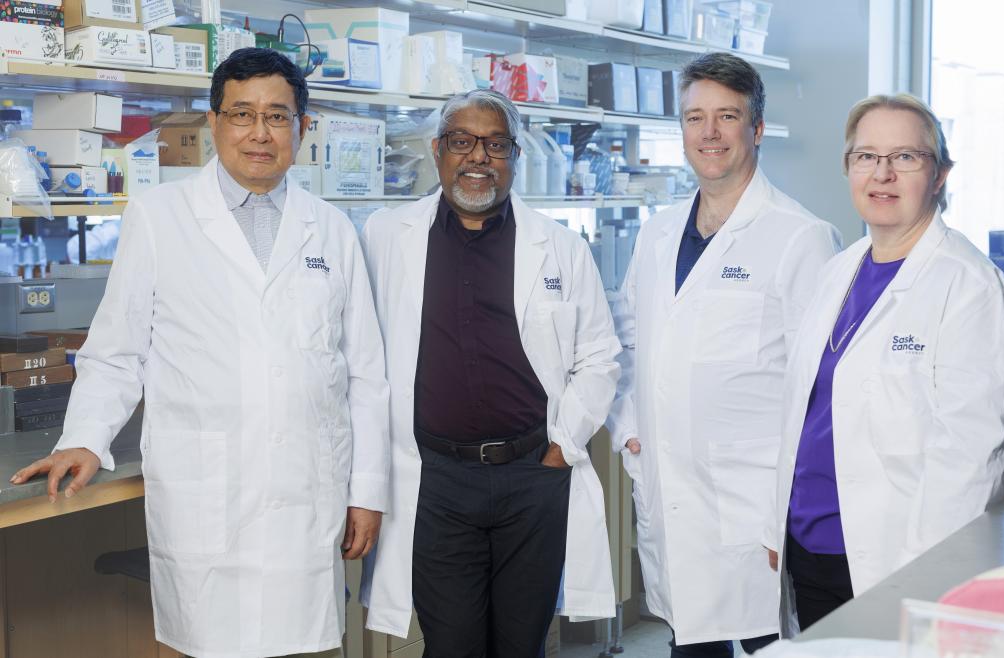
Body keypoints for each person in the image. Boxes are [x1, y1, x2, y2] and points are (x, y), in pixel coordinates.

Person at [10, 48, 391, 658]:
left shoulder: (333, 230)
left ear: (303, 126)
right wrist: (84, 437)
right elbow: (116, 352)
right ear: (213, 124)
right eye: (241, 114)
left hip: (306, 494)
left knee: (303, 648)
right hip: (207, 492)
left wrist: (367, 491)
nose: (259, 133)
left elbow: (366, 377)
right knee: (210, 645)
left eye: (277, 116)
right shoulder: (161, 218)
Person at [357, 89, 621, 657]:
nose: (478, 157)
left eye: (495, 144)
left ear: (514, 156)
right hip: (437, 479)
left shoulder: (562, 248)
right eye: (462, 141)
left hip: (533, 474)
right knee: (452, 645)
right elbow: (359, 352)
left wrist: (560, 447)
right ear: (437, 151)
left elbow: (600, 357)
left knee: (522, 644)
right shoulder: (386, 236)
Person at [764, 93, 1004, 634]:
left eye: (906, 157)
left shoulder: (969, 285)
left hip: (895, 560)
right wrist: (778, 528)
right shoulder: (838, 271)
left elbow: (969, 459)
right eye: (866, 156)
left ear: (939, 175)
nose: (882, 173)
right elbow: (804, 413)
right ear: (848, 168)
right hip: (810, 546)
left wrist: (923, 579)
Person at [607, 52, 841, 656]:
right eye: (695, 117)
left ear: (756, 129)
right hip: (672, 488)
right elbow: (630, 340)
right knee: (690, 641)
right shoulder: (658, 232)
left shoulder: (800, 236)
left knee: (772, 641)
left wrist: (788, 510)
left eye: (727, 116)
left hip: (754, 502)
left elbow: (819, 386)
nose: (709, 133)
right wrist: (629, 423)